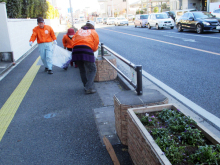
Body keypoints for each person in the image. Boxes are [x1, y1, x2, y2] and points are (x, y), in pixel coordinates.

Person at [71, 20, 99, 94]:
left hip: (76, 50)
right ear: (93, 26)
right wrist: (93, 50)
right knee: (93, 69)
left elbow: (73, 41)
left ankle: (86, 86)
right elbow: (96, 45)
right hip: (86, 49)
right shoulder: (93, 32)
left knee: (82, 69)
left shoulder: (79, 31)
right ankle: (88, 87)